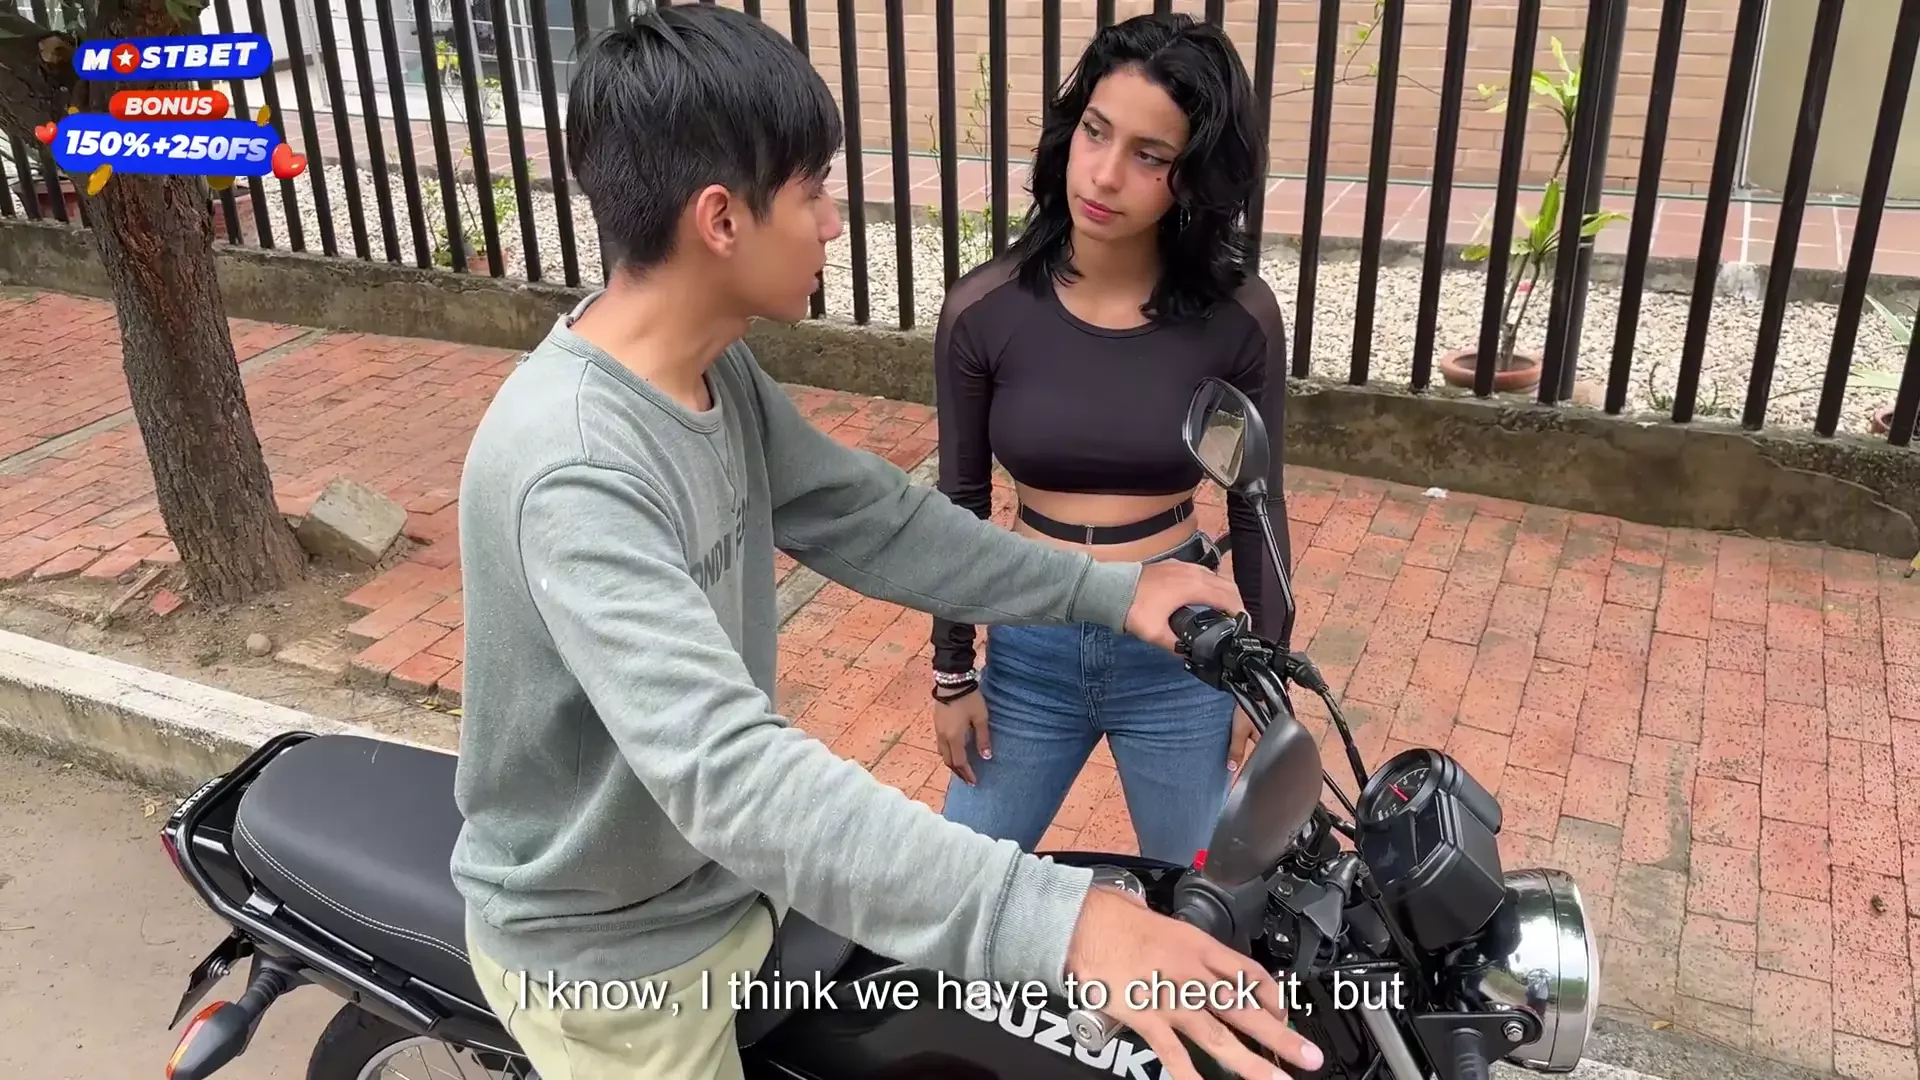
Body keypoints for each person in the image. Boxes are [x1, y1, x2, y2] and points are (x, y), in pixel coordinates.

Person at [447, 6, 1321, 1080]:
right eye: (813, 190)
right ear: (721, 220)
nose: (834, 220)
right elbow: (733, 773)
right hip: (619, 960)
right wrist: (1068, 922)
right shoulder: (577, 466)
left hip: (725, 890)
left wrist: (1112, 591)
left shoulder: (710, 372)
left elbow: (876, 519)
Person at [929, 12, 1294, 867]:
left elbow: (1257, 501)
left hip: (1181, 655)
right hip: (1031, 646)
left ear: (1193, 177)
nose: (1103, 173)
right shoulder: (985, 311)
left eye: (1150, 155)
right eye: (1096, 132)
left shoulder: (1236, 318)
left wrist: (1265, 676)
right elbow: (960, 505)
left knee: (1214, 905)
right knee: (951, 894)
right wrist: (953, 673)